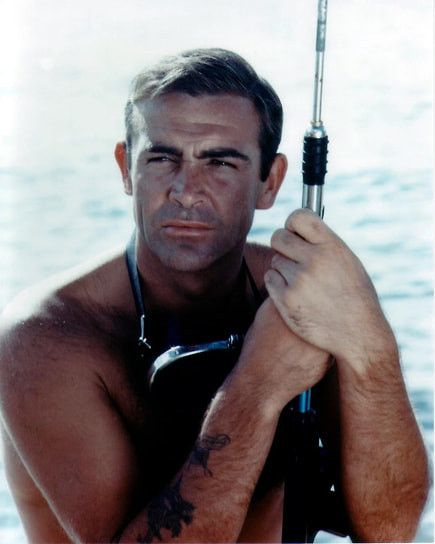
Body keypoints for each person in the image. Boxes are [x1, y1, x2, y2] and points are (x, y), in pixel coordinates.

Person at [0, 48, 429, 544]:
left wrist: (371, 345)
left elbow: (390, 529)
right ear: (125, 169)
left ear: (270, 182)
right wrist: (259, 385)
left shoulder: (306, 298)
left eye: (220, 162)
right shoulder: (47, 337)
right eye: (162, 158)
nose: (186, 191)